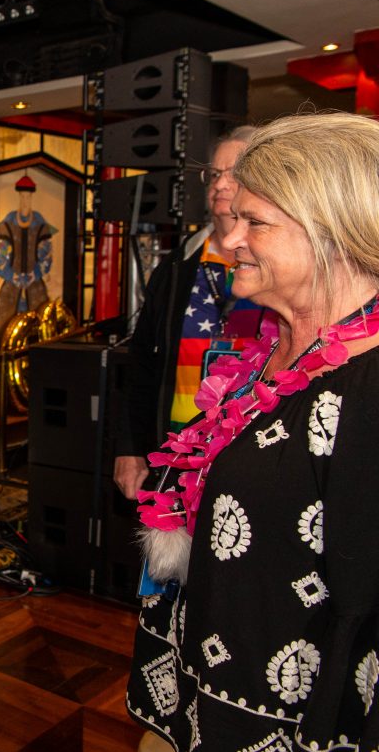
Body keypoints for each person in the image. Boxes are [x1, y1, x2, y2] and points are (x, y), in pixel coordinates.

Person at [128, 112, 379, 749]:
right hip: (201, 675)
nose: (230, 239)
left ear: (334, 231)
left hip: (290, 712)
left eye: (255, 222)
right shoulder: (268, 349)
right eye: (232, 217)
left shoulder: (370, 387)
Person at [113, 126, 260, 499]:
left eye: (235, 172)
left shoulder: (279, 270)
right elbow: (142, 361)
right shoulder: (177, 265)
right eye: (214, 174)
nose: (220, 184)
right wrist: (130, 446)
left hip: (250, 451)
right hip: (177, 451)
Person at [0, 173, 56, 340]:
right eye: (23, 197)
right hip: (11, 283)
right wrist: (11, 275)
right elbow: (0, 255)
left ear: (31, 197)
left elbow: (46, 255)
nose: (25, 201)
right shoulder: (8, 223)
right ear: (19, 196)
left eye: (28, 197)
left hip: (35, 283)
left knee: (42, 323)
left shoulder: (40, 224)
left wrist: (35, 274)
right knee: (1, 321)